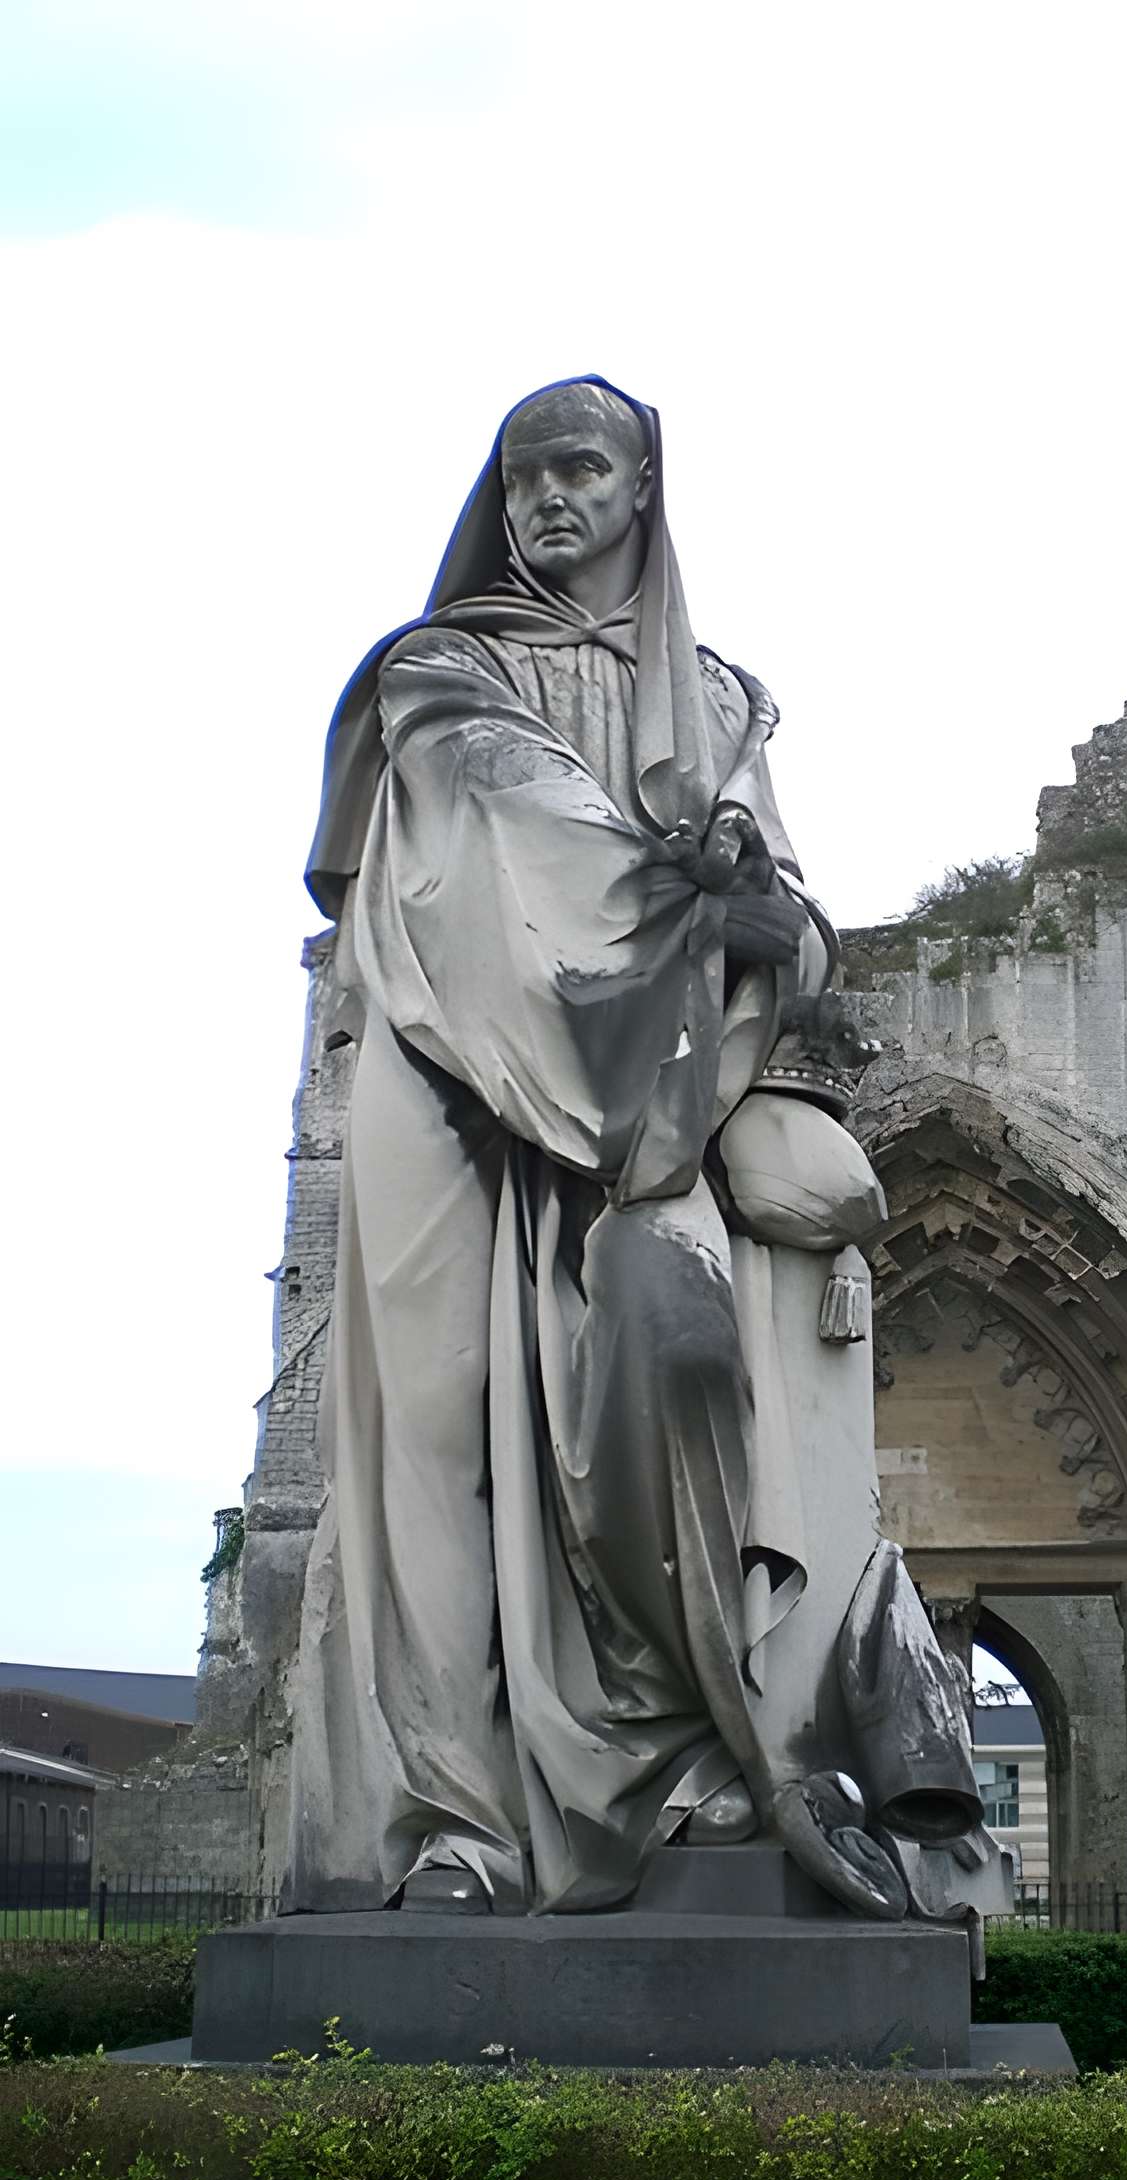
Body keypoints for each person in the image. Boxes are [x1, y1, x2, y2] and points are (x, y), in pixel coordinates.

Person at [287, 377, 980, 1918]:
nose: (549, 498)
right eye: (524, 474)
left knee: (659, 1371)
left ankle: (675, 1765)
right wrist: (684, 908)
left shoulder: (720, 700)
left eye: (582, 468)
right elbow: (497, 821)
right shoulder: (442, 667)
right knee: (439, 1433)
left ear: (643, 485)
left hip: (644, 1100)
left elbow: (785, 900)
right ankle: (457, 1826)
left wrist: (771, 912)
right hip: (451, 1070)